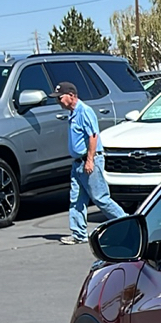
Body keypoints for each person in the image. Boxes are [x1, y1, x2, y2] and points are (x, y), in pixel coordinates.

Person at [53, 81, 127, 244]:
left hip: (89, 161)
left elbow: (93, 136)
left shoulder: (84, 111)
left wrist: (90, 160)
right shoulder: (72, 113)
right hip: (77, 163)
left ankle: (127, 224)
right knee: (76, 199)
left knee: (101, 198)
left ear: (71, 96)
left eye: (60, 97)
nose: (58, 101)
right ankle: (79, 234)